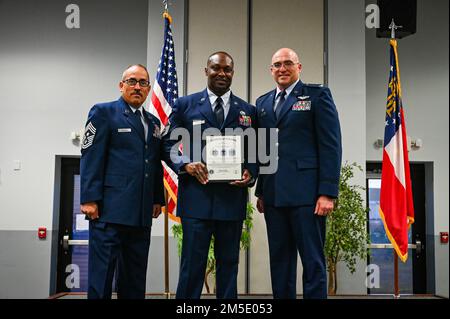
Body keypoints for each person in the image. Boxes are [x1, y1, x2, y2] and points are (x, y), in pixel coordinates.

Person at [162, 51, 257, 299]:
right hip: (196, 202)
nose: (222, 74)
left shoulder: (248, 110)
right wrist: (185, 164)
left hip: (231, 201)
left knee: (229, 267)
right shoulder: (185, 105)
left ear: (233, 73)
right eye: (216, 68)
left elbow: (257, 151)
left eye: (227, 70)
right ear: (206, 71)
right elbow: (167, 144)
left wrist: (252, 173)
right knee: (192, 269)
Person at [255, 48, 342, 299]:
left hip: (308, 196)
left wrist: (327, 192)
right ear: (271, 70)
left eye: (287, 63)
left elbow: (331, 145)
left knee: (313, 262)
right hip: (273, 197)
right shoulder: (262, 103)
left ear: (299, 67)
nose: (282, 68)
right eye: (277, 65)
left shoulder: (317, 95)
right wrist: (261, 190)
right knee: (280, 264)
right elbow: (265, 150)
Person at [80, 64, 165, 299]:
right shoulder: (103, 112)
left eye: (143, 83)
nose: (137, 87)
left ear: (148, 89)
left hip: (140, 215)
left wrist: (157, 197)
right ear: (121, 85)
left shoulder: (154, 123)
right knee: (102, 278)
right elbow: (90, 155)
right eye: (132, 81)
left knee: (135, 279)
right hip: (108, 212)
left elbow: (154, 162)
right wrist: (89, 198)